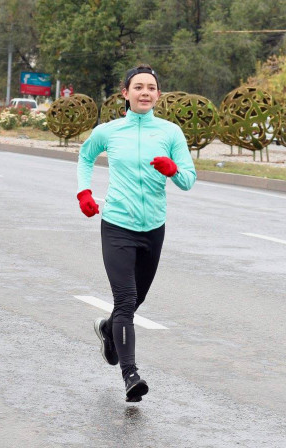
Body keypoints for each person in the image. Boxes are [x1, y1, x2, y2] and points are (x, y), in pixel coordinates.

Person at [76, 65, 196, 402]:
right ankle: (131, 375)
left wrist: (173, 170)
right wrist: (84, 192)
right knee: (126, 300)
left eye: (151, 88)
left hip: (153, 228)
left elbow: (188, 180)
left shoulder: (170, 133)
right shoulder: (109, 131)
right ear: (125, 93)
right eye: (138, 87)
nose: (145, 92)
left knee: (135, 300)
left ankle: (108, 329)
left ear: (158, 95)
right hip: (117, 224)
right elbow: (85, 157)